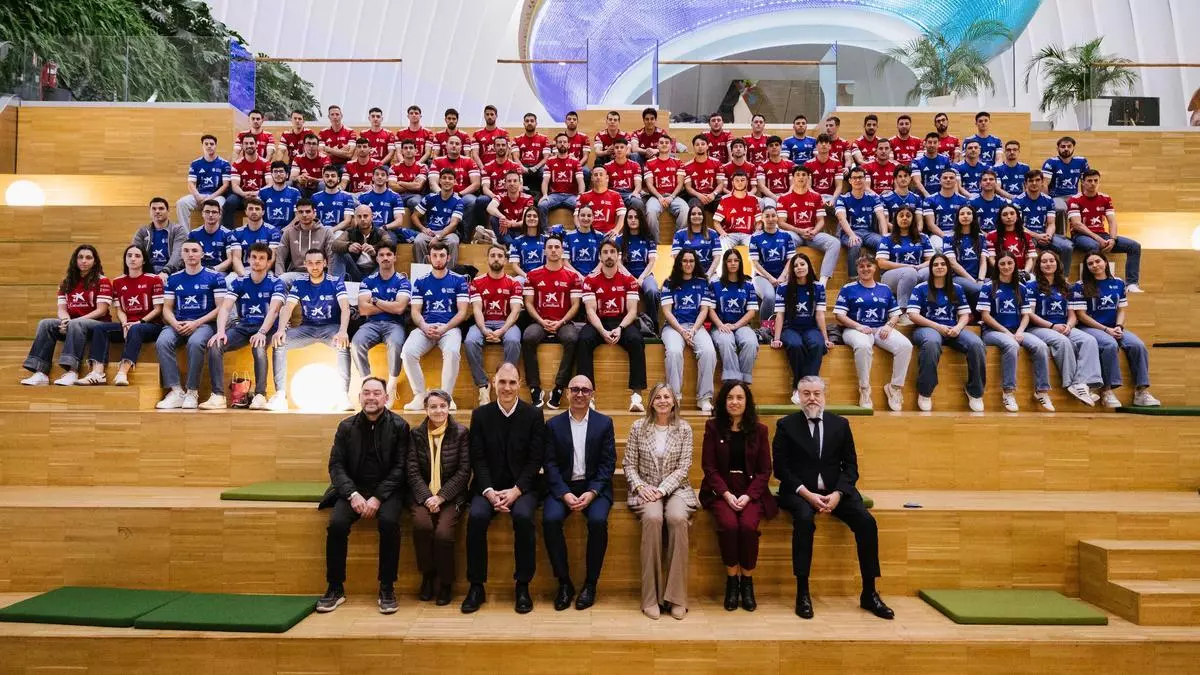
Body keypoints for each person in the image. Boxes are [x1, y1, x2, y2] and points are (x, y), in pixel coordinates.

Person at [774, 376, 894, 621]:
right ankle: (802, 592)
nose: (812, 399)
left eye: (816, 393)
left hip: (835, 492)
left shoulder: (840, 424)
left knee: (866, 522)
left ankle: (869, 592)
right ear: (798, 396)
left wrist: (838, 493)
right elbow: (781, 469)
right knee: (804, 520)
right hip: (800, 492)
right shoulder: (786, 425)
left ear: (824, 396)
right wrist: (807, 494)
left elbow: (850, 467)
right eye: (806, 393)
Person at [316, 377, 410, 615]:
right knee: (337, 524)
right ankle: (335, 587)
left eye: (376, 393)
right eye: (366, 393)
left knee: (389, 522)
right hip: (353, 490)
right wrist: (352, 494)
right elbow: (336, 465)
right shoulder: (346, 427)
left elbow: (401, 468)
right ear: (359, 397)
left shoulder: (399, 426)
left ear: (386, 398)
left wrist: (378, 497)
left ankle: (387, 587)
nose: (371, 397)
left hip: (388, 491)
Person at [462, 363, 546, 615]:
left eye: (512, 382)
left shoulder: (533, 415)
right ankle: (476, 586)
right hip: (488, 487)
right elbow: (478, 458)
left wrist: (516, 491)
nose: (507, 387)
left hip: (523, 488)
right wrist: (489, 491)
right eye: (502, 382)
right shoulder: (480, 415)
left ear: (519, 384)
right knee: (476, 517)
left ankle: (523, 585)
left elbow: (535, 459)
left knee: (523, 517)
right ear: (493, 383)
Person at [701, 381, 777, 613]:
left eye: (739, 398)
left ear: (747, 402)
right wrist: (725, 494)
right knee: (729, 525)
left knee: (747, 527)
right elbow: (709, 467)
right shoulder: (713, 427)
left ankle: (747, 583)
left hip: (750, 490)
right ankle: (732, 582)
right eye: (730, 398)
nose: (734, 402)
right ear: (723, 402)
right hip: (721, 490)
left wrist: (748, 496)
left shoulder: (760, 430)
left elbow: (765, 470)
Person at [542, 375, 616, 611]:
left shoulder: (604, 423)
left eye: (585, 390)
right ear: (567, 393)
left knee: (598, 521)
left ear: (592, 394)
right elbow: (550, 464)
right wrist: (564, 493)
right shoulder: (553, 425)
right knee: (550, 519)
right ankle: (564, 583)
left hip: (594, 487)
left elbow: (608, 464)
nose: (580, 394)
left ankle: (590, 584)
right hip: (563, 486)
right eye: (575, 389)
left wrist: (593, 492)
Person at [625, 383, 697, 620]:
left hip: (676, 489)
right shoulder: (638, 427)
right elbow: (629, 465)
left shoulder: (684, 428)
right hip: (645, 489)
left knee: (677, 518)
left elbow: (684, 467)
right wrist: (640, 486)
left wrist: (662, 490)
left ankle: (677, 598)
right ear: (651, 402)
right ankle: (650, 598)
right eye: (658, 397)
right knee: (653, 518)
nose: (663, 400)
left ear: (674, 401)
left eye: (667, 396)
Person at [406, 389, 471, 606]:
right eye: (433, 406)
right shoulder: (416, 435)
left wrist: (441, 497)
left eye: (443, 406)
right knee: (422, 526)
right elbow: (412, 471)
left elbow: (464, 471)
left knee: (443, 534)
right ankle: (428, 576)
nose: (438, 410)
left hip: (451, 497)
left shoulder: (461, 433)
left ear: (449, 408)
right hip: (422, 496)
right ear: (426, 409)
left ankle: (446, 583)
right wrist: (427, 498)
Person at [1074, 252, 1161, 407]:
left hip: (1114, 327)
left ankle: (1141, 392)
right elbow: (1081, 315)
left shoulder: (1118, 283)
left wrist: (1119, 326)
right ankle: (1107, 391)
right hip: (1090, 327)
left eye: (1097, 261)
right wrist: (1106, 329)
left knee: (1138, 345)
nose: (1095, 265)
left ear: (1105, 262)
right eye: (1090, 264)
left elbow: (1121, 310)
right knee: (1109, 344)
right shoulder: (1080, 286)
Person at [271, 247, 353, 411]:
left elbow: (345, 308)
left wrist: (343, 331)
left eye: (318, 263)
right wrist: (280, 329)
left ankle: (344, 396)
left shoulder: (335, 281)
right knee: (279, 343)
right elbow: (288, 307)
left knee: (343, 345)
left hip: (331, 328)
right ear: (305, 264)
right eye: (310, 263)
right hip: (307, 328)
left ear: (325, 263)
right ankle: (280, 395)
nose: (314, 267)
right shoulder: (299, 282)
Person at [206, 242, 286, 410]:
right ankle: (218, 396)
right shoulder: (239, 281)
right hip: (243, 326)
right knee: (216, 344)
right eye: (253, 257)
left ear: (268, 261)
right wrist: (220, 331)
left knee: (258, 345)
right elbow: (225, 308)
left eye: (262, 258)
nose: (257, 261)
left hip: (267, 327)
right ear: (248, 259)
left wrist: (262, 332)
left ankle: (260, 395)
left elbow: (273, 311)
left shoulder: (276, 282)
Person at [20, 244, 111, 387]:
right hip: (74, 325)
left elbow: (102, 310)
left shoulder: (103, 281)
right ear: (75, 260)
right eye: (80, 257)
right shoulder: (66, 282)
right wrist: (65, 320)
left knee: (76, 324)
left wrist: (74, 322)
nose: (84, 261)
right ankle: (40, 372)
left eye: (88, 257)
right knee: (45, 324)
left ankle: (72, 371)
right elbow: (62, 309)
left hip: (98, 325)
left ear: (95, 261)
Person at [907, 253, 986, 412]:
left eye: (943, 264)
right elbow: (913, 315)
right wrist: (938, 327)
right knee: (931, 343)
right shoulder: (920, 288)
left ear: (948, 268)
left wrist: (958, 327)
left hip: (952, 329)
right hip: (927, 328)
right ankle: (925, 392)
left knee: (977, 344)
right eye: (935, 264)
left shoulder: (957, 288)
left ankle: (975, 392)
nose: (939, 267)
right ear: (931, 268)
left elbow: (964, 315)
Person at [978, 250, 1053, 412]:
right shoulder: (988, 286)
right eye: (1002, 264)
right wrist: (1007, 333)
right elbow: (985, 316)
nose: (1006, 267)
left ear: (1015, 265)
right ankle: (1008, 392)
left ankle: (1041, 391)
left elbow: (1026, 315)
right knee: (1011, 345)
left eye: (1010, 263)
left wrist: (1019, 331)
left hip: (1017, 330)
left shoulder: (1022, 288)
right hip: (993, 331)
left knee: (1041, 346)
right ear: (997, 266)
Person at [76, 245, 162, 386]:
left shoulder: (154, 279)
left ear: (144, 260)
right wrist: (124, 323)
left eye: (137, 256)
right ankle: (97, 373)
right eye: (129, 255)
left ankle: (122, 372)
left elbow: (158, 309)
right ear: (125, 259)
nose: (133, 259)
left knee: (136, 329)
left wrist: (139, 322)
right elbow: (120, 309)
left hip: (150, 325)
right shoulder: (117, 282)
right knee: (100, 328)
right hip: (128, 324)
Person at [576, 240, 647, 412]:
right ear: (600, 257)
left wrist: (620, 329)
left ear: (618, 255)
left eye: (612, 252)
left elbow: (632, 311)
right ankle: (587, 395)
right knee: (583, 340)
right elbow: (590, 311)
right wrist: (602, 331)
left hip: (622, 322)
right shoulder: (590, 280)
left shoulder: (629, 280)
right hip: (598, 322)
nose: (609, 255)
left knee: (637, 340)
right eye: (605, 252)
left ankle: (636, 397)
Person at [155, 240, 226, 409]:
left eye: (195, 250)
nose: (190, 254)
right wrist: (174, 323)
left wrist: (196, 323)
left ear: (202, 254)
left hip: (204, 324)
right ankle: (176, 392)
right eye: (186, 250)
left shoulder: (215, 277)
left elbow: (221, 308)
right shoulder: (173, 279)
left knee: (195, 343)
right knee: (162, 341)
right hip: (178, 323)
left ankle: (192, 392)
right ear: (181, 254)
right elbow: (166, 308)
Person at [1026, 250, 1102, 407]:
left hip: (1063, 325)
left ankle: (1082, 383)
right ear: (1038, 265)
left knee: (1089, 340)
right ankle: (1072, 384)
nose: (1048, 264)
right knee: (1063, 342)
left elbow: (1072, 314)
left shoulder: (1067, 286)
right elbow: (1030, 314)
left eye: (1051, 260)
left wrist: (1069, 326)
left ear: (1057, 263)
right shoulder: (1031, 286)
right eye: (1044, 261)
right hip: (1039, 327)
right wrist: (1052, 326)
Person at [835, 256, 911, 411]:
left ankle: (894, 388)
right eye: (861, 266)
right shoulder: (848, 288)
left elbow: (895, 314)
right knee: (863, 346)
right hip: (854, 329)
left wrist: (889, 325)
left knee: (905, 346)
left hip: (880, 329)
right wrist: (858, 326)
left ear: (875, 268)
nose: (865, 269)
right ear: (857, 269)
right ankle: (864, 389)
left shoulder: (885, 289)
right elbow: (839, 315)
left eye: (869, 266)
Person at [402, 242, 470, 411]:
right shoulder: (420, 281)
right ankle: (420, 396)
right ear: (429, 258)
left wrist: (445, 328)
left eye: (442, 255)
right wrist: (424, 326)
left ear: (448, 257)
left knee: (452, 352)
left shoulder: (459, 280)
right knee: (408, 352)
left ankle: (446, 397)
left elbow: (462, 312)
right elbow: (415, 312)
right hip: (426, 327)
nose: (438, 259)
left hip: (449, 328)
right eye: (434, 255)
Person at [522, 235, 583, 408]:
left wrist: (561, 321)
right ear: (544, 251)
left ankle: (560, 387)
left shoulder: (572, 276)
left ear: (562, 251)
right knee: (528, 337)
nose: (554, 250)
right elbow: (528, 303)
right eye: (550, 247)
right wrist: (541, 321)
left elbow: (576, 305)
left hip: (563, 322)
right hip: (540, 321)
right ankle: (534, 388)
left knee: (572, 339)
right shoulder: (532, 275)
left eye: (557, 247)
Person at [351, 243, 411, 404]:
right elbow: (363, 309)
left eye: (389, 254)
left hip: (395, 324)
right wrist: (390, 305)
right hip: (371, 324)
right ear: (376, 259)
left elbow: (400, 308)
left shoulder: (403, 281)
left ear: (395, 258)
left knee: (396, 343)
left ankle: (391, 386)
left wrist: (376, 301)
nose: (385, 258)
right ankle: (368, 384)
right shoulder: (368, 281)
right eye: (382, 255)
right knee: (356, 343)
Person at [466, 244, 524, 406]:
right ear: (488, 259)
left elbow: (515, 312)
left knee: (513, 341)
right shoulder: (477, 282)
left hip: (506, 323)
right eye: (493, 255)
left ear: (505, 260)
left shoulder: (514, 283)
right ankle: (483, 385)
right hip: (483, 323)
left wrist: (502, 330)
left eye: (500, 256)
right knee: (470, 341)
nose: (496, 259)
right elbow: (477, 309)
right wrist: (484, 329)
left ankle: (506, 382)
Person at [661, 249, 717, 412]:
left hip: (696, 326)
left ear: (695, 263)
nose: (688, 264)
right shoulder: (669, 282)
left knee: (709, 352)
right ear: (679, 263)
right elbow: (667, 312)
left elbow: (704, 310)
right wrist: (682, 331)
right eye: (684, 261)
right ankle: (674, 397)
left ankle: (704, 398)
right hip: (673, 327)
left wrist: (692, 330)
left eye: (691, 261)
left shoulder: (703, 282)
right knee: (674, 352)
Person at [771, 252, 833, 403]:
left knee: (817, 344)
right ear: (792, 269)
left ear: (808, 266)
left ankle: (804, 388)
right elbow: (779, 315)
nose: (799, 267)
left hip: (810, 328)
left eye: (802, 264)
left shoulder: (818, 287)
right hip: (789, 328)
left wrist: (825, 338)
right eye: (795, 265)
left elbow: (819, 315)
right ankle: (800, 388)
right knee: (795, 345)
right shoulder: (783, 288)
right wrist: (776, 339)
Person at [1068, 170, 1143, 292]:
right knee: (1094, 246)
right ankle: (1093, 284)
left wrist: (1112, 239)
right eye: (1089, 181)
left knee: (1134, 246)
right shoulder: (1074, 199)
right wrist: (1099, 239)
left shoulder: (1106, 198)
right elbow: (1077, 224)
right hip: (1081, 236)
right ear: (1083, 182)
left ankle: (1131, 284)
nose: (1093, 183)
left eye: (1096, 180)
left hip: (1103, 235)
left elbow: (1112, 221)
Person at [777, 165, 841, 284]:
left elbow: (821, 220)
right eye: (798, 175)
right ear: (793, 178)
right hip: (794, 233)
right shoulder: (784, 198)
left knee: (835, 243)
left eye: (804, 175)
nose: (801, 177)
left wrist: (814, 231)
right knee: (785, 239)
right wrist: (800, 231)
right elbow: (781, 223)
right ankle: (785, 278)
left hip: (812, 234)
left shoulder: (816, 197)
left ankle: (822, 283)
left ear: (808, 178)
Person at [709, 249, 759, 385]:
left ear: (740, 263)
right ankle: (732, 382)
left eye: (736, 260)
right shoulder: (715, 284)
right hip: (720, 325)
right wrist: (720, 325)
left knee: (751, 343)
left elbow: (751, 312)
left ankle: (744, 381)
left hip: (741, 325)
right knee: (726, 342)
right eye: (729, 261)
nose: (733, 263)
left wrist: (736, 325)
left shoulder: (748, 285)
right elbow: (710, 309)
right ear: (724, 263)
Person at [876, 205, 933, 315]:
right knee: (909, 272)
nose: (904, 218)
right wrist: (907, 267)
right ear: (896, 219)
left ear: (913, 219)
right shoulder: (887, 238)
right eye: (901, 215)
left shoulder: (923, 237)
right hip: (891, 276)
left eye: (908, 216)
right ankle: (902, 311)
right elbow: (882, 263)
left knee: (931, 271)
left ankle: (929, 310)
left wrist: (919, 266)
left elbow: (931, 260)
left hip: (917, 270)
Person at [835, 166, 888, 275]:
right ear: (850, 180)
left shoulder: (873, 198)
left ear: (865, 179)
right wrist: (851, 235)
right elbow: (841, 218)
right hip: (849, 233)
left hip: (869, 233)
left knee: (883, 242)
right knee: (855, 244)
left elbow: (881, 217)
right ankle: (853, 278)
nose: (857, 180)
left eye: (860, 177)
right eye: (854, 178)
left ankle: (885, 275)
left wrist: (885, 235)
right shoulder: (842, 198)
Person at [1014, 169, 1074, 264]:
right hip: (1026, 235)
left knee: (1067, 247)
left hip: (1044, 234)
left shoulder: (1048, 200)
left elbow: (1051, 223)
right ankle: (1028, 273)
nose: (1034, 183)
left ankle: (1063, 273)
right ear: (1025, 183)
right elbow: (1018, 226)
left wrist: (1048, 236)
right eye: (1031, 181)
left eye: (1037, 180)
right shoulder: (1018, 201)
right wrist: (1037, 236)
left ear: (1042, 182)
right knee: (1028, 249)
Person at [615, 205, 660, 332]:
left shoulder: (649, 238)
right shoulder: (619, 239)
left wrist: (640, 278)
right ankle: (621, 325)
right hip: (625, 275)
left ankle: (653, 325)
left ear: (641, 219)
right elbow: (618, 263)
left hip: (645, 275)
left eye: (636, 217)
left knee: (652, 291)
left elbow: (651, 261)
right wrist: (631, 278)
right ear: (626, 220)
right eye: (630, 217)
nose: (633, 220)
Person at [275, 199, 337, 288]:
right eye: (301, 212)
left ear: (314, 213)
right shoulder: (289, 232)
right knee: (282, 280)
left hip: (319, 273)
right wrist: (279, 276)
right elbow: (280, 257)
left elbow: (332, 258)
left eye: (308, 211)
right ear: (296, 214)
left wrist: (329, 280)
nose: (304, 215)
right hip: (297, 274)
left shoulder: (326, 232)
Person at [428, 135, 480, 241]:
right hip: (442, 194)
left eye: (457, 144)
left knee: (471, 201)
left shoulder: (469, 161)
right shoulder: (437, 161)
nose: (454, 146)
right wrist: (444, 195)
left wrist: (459, 194)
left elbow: (476, 184)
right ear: (446, 146)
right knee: (429, 199)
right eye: (451, 143)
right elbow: (433, 183)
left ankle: (465, 236)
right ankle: (432, 233)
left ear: (461, 147)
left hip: (463, 195)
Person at [749, 205, 796, 320]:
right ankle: (765, 327)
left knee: (794, 294)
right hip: (762, 277)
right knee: (770, 297)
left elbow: (791, 260)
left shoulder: (786, 236)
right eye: (767, 216)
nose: (770, 219)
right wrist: (770, 278)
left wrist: (783, 276)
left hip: (783, 275)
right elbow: (755, 263)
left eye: (773, 216)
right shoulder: (755, 237)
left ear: (777, 217)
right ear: (762, 218)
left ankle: (788, 325)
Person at [411, 169, 465, 267]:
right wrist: (423, 228)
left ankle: (450, 272)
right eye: (444, 178)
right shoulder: (430, 197)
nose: (447, 181)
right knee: (418, 241)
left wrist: (438, 237)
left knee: (453, 241)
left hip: (448, 233)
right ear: (439, 181)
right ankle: (423, 271)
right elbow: (414, 216)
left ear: (455, 182)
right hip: (430, 232)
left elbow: (453, 224)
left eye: (450, 178)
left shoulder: (458, 201)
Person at [176, 134, 230, 226]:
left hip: (216, 196)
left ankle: (217, 232)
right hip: (199, 195)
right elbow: (190, 183)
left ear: (215, 146)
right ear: (202, 146)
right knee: (181, 203)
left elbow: (226, 185)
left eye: (212, 144)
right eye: (206, 144)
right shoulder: (195, 163)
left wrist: (210, 197)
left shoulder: (224, 164)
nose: (209, 146)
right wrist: (197, 196)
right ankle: (185, 234)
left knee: (220, 204)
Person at [133, 197, 189, 278]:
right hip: (147, 274)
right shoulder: (142, 231)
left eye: (161, 208)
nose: (157, 211)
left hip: (172, 273)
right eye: (154, 209)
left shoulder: (178, 230)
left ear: (168, 211)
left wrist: (166, 271)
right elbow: (135, 253)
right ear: (150, 211)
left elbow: (178, 253)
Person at [944, 204, 988, 306]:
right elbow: (953, 264)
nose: (965, 216)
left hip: (978, 277)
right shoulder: (948, 237)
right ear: (957, 217)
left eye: (968, 213)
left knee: (996, 287)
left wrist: (980, 279)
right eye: (962, 214)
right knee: (979, 290)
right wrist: (973, 281)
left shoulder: (981, 237)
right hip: (957, 277)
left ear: (973, 217)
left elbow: (983, 262)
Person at [224, 134, 270, 229]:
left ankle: (266, 231)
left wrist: (258, 193)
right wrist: (244, 194)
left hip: (260, 194)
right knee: (230, 202)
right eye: (246, 143)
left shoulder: (265, 163)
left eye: (251, 143)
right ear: (242, 146)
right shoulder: (236, 164)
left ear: (256, 145)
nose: (249, 145)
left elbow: (270, 184)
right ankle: (228, 233)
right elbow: (235, 186)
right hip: (241, 195)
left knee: (270, 201)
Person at [333, 205, 389, 282]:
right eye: (359, 216)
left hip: (375, 272)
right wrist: (348, 246)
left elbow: (390, 245)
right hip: (355, 271)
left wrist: (375, 250)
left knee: (386, 256)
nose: (362, 219)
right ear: (355, 218)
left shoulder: (381, 232)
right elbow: (335, 244)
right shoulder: (350, 232)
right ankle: (337, 285)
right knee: (339, 253)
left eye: (365, 216)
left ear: (372, 217)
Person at [643, 134, 687, 233]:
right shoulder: (649, 163)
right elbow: (649, 184)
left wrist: (671, 197)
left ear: (671, 146)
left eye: (667, 143)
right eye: (661, 143)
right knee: (650, 212)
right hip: (656, 197)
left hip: (673, 196)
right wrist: (659, 197)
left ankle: (678, 239)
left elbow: (680, 183)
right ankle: (654, 241)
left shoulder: (678, 162)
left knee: (685, 210)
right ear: (657, 146)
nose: (664, 144)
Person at [1041, 135, 1089, 225]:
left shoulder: (1081, 162)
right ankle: (1060, 233)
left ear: (1073, 148)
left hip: (1074, 196)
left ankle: (1081, 232)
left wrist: (1085, 199)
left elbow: (1085, 182)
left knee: (1087, 207)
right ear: (1057, 148)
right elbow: (1044, 184)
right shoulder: (1051, 162)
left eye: (1069, 146)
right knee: (1060, 208)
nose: (1066, 149)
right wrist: (1046, 202)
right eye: (1063, 146)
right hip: (1056, 197)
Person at [539, 132, 586, 223]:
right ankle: (544, 230)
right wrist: (544, 194)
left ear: (569, 144)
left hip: (571, 196)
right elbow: (545, 181)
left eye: (565, 142)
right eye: (560, 142)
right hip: (554, 195)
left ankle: (579, 229)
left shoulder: (575, 162)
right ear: (556, 145)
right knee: (542, 205)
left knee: (583, 207)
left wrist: (580, 195)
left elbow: (581, 181)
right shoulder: (550, 161)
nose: (562, 144)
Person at [190, 199, 242, 276]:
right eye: (207, 212)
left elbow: (230, 260)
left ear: (220, 214)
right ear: (202, 214)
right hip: (198, 271)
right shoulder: (193, 234)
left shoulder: (228, 234)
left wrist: (212, 269)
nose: (210, 215)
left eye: (214, 212)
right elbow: (189, 257)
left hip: (219, 272)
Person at [670, 205, 722, 279]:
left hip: (709, 274)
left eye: (699, 214)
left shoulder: (713, 233)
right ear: (689, 217)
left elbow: (717, 257)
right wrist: (688, 275)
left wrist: (708, 275)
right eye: (693, 214)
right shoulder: (679, 234)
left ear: (703, 217)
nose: (696, 216)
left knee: (718, 285)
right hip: (686, 274)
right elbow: (677, 257)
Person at [484, 171, 534, 247]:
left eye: (515, 181)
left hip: (520, 230)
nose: (512, 183)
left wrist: (512, 224)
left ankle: (510, 244)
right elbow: (489, 207)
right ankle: (510, 244)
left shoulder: (528, 198)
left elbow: (526, 220)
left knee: (530, 218)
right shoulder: (500, 196)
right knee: (494, 218)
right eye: (509, 181)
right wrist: (502, 217)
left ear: (520, 184)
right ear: (505, 185)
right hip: (505, 231)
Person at [575, 166, 626, 239]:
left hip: (608, 234)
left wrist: (616, 230)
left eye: (601, 174)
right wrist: (580, 229)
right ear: (592, 178)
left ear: (607, 178)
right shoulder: (584, 196)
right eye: (596, 175)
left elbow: (622, 215)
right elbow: (576, 215)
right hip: (590, 233)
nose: (598, 177)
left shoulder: (615, 195)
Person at [356, 167, 407, 241]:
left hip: (387, 230)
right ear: (373, 178)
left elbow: (399, 221)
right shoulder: (363, 197)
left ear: (387, 179)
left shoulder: (395, 196)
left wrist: (383, 227)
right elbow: (357, 219)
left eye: (383, 175)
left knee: (389, 241)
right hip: (367, 230)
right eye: (377, 174)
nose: (380, 177)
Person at [712, 169, 759, 247]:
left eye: (742, 180)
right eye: (737, 180)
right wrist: (722, 233)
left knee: (754, 245)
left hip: (748, 235)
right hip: (730, 235)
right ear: (732, 182)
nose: (740, 182)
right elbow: (716, 221)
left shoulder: (753, 199)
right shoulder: (725, 199)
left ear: (747, 182)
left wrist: (755, 233)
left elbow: (759, 221)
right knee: (723, 243)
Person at [231, 197, 281, 269]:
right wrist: (243, 274)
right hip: (244, 270)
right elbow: (236, 259)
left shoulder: (273, 231)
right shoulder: (237, 232)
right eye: (250, 209)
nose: (254, 212)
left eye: (257, 209)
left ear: (263, 212)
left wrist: (260, 273)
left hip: (265, 270)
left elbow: (271, 259)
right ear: (246, 211)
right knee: (230, 277)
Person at [923, 168, 970, 245]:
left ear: (956, 181)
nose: (948, 180)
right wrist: (945, 236)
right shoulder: (930, 200)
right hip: (937, 234)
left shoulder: (964, 200)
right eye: (945, 178)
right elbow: (930, 225)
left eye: (951, 178)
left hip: (958, 233)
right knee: (938, 246)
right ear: (940, 181)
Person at [986, 204, 1036, 274]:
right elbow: (991, 258)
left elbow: (1030, 258)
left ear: (1017, 216)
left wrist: (1024, 273)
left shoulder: (1026, 235)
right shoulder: (991, 235)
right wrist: (1004, 272)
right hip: (1001, 274)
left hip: (1022, 273)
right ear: (1000, 218)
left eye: (1012, 213)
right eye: (1005, 215)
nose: (1009, 217)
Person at [682, 134, 725, 215]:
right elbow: (688, 187)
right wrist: (699, 195)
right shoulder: (687, 166)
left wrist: (713, 194)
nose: (700, 147)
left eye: (703, 144)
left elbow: (721, 184)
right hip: (696, 197)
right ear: (693, 147)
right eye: (697, 144)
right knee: (694, 208)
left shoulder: (716, 163)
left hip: (713, 196)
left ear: (707, 146)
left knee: (724, 205)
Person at [565, 205, 607, 277]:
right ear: (578, 217)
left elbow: (602, 260)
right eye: (582, 215)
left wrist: (592, 274)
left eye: (589, 216)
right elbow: (565, 261)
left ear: (593, 218)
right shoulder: (569, 236)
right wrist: (577, 275)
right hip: (574, 277)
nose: (586, 218)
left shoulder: (599, 236)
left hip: (594, 277)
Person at [311, 165, 356, 232]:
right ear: (323, 178)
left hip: (339, 231)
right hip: (320, 231)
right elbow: (312, 219)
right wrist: (322, 231)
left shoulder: (347, 197)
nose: (330, 178)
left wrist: (332, 230)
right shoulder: (315, 197)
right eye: (327, 176)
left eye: (333, 176)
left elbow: (347, 220)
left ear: (338, 178)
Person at [508, 206, 548, 282]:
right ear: (524, 219)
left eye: (535, 216)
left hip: (544, 276)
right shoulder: (517, 241)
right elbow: (515, 265)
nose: (532, 218)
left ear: (539, 219)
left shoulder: (547, 239)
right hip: (525, 276)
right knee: (513, 282)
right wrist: (527, 277)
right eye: (529, 216)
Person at [258, 162, 302, 229]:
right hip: (268, 231)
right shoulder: (263, 192)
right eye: (275, 172)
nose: (278, 174)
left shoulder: (295, 193)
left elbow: (298, 216)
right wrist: (269, 230)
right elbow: (258, 215)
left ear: (287, 175)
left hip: (288, 230)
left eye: (281, 171)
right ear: (272, 175)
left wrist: (286, 229)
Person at [605, 138, 645, 213]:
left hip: (629, 194)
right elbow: (605, 187)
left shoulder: (635, 165)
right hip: (613, 194)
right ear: (614, 150)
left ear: (626, 149)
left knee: (637, 202)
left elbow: (638, 186)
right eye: (616, 147)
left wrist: (635, 193)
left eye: (622, 147)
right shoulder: (607, 166)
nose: (619, 150)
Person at [803, 134, 844, 204]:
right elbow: (808, 186)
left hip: (832, 197)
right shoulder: (808, 164)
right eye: (821, 142)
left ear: (830, 146)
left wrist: (833, 201)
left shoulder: (837, 163)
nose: (824, 144)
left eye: (826, 142)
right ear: (816, 146)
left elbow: (839, 186)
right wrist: (818, 199)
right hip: (814, 198)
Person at [389, 139, 429, 212]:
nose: (408, 150)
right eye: (405, 148)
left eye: (411, 148)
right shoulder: (394, 167)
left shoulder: (422, 167)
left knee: (414, 202)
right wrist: (411, 184)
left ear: (416, 151)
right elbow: (392, 187)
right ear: (402, 151)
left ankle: (418, 219)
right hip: (398, 196)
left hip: (415, 196)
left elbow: (418, 186)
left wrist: (401, 183)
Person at [757, 135, 795, 209]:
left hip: (787, 195)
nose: (774, 147)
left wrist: (786, 196)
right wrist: (775, 198)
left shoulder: (790, 164)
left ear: (781, 147)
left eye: (776, 145)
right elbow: (761, 186)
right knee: (769, 210)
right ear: (767, 149)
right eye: (771, 145)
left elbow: (793, 184)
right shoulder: (762, 166)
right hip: (769, 197)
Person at [911, 132, 952, 198]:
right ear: (925, 144)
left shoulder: (945, 160)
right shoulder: (917, 161)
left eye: (935, 142)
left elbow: (950, 179)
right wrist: (928, 197)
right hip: (924, 198)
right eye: (930, 142)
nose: (932, 145)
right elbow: (917, 182)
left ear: (939, 144)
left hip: (941, 197)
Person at [290, 133, 330, 198]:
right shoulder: (298, 158)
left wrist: (313, 179)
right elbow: (292, 177)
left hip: (318, 188)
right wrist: (299, 178)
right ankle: (300, 203)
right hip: (303, 188)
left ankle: (322, 203)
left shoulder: (325, 158)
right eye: (308, 143)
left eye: (314, 144)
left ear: (317, 146)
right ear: (304, 145)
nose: (311, 146)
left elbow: (327, 179)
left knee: (322, 184)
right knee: (293, 183)